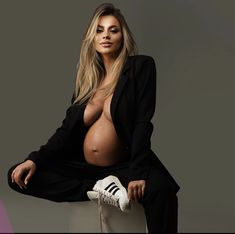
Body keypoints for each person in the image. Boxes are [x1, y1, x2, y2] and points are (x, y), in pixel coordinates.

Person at [7, 3, 180, 233]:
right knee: (17, 175)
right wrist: (35, 160)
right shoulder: (86, 83)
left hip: (124, 167)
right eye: (99, 30)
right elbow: (66, 131)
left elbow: (142, 123)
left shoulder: (140, 67)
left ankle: (110, 185)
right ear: (92, 37)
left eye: (113, 30)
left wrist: (138, 174)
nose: (106, 35)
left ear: (123, 37)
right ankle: (97, 188)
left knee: (162, 190)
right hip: (85, 171)